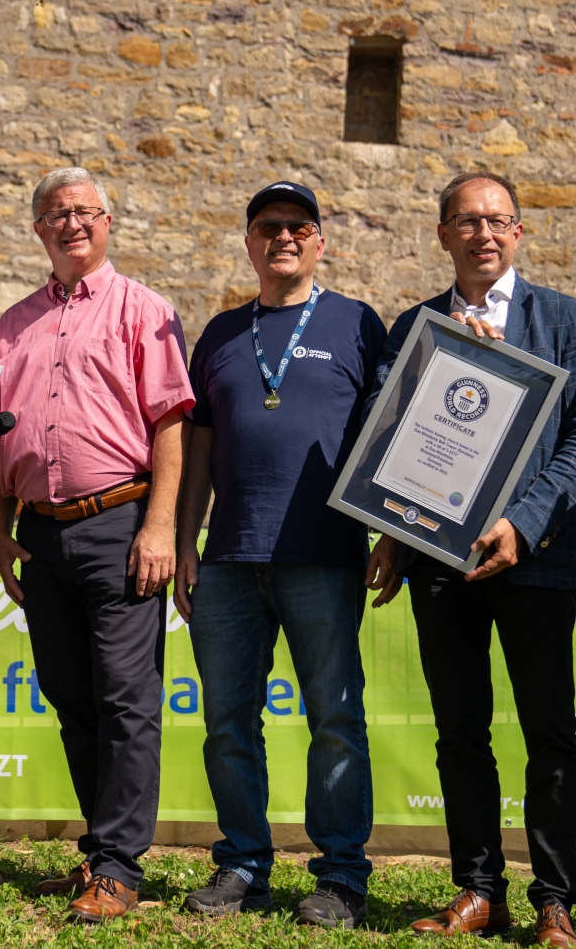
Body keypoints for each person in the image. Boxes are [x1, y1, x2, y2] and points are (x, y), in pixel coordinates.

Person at [368, 171, 576, 947]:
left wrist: (524, 519)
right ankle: (478, 890)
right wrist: (392, 530)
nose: (484, 233)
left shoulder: (565, 319)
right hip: (441, 561)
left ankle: (554, 900)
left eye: (498, 220)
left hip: (535, 557)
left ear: (518, 232)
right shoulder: (415, 326)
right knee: (459, 730)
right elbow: (386, 440)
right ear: (443, 234)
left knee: (550, 730)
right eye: (466, 221)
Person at [173, 181, 389, 928]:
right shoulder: (222, 333)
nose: (284, 237)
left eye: (299, 226)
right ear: (250, 242)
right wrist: (182, 542)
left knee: (334, 715)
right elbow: (198, 445)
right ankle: (241, 864)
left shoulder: (359, 324)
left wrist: (391, 532)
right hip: (228, 556)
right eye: (269, 226)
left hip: (324, 554)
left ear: (320, 242)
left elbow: (388, 435)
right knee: (229, 718)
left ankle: (340, 875)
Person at [0, 167, 193, 922]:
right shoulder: (11, 325)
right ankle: (99, 851)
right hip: (38, 532)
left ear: (107, 222)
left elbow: (171, 422)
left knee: (127, 701)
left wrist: (161, 526)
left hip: (121, 524)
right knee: (71, 696)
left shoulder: (145, 309)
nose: (70, 223)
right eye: (55, 214)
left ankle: (118, 865)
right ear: (38, 229)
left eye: (83, 212)